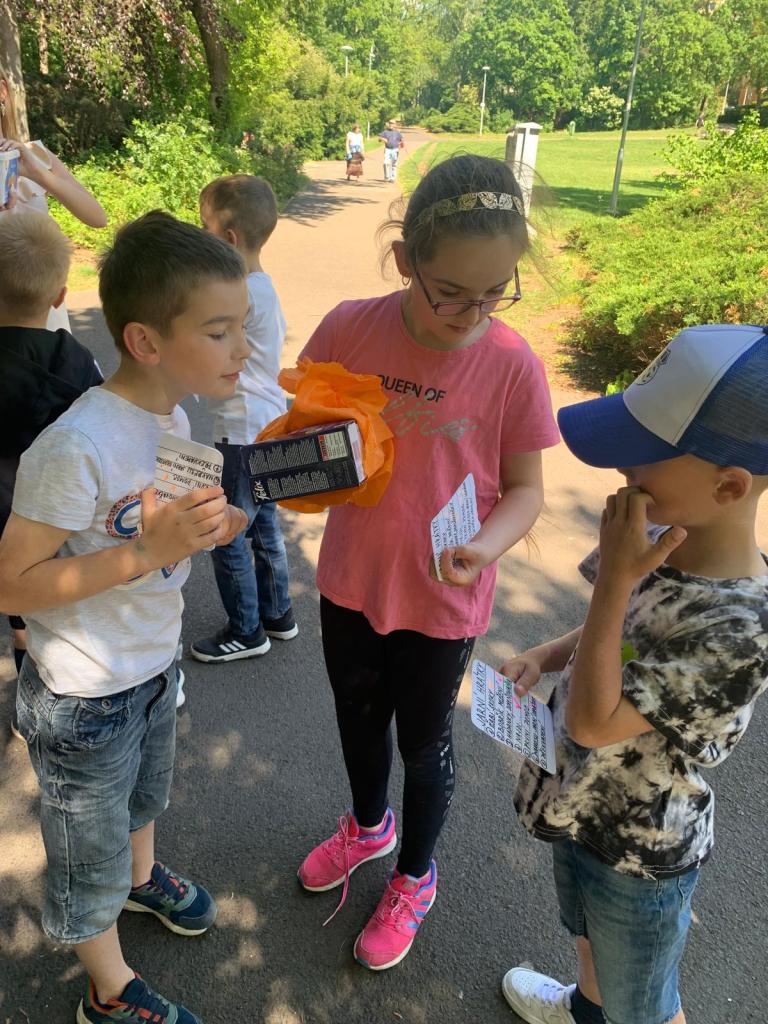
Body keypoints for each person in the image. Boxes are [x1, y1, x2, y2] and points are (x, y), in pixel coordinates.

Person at [296, 155, 560, 970]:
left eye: (495, 293)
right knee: (356, 716)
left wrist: (485, 546)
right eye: (450, 292)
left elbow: (526, 489)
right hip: (352, 579)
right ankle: (368, 826)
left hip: (444, 601)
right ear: (405, 259)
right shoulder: (350, 327)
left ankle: (415, 873)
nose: (470, 313)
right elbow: (301, 433)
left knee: (423, 741)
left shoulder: (511, 362)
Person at [0, 210, 250, 1024]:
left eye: (242, 326)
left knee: (143, 802)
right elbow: (11, 585)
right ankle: (109, 993)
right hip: (83, 696)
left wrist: (210, 526)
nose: (242, 348)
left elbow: (159, 529)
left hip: (150, 667)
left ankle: (141, 882)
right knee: (87, 860)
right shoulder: (74, 445)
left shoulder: (172, 418)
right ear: (146, 341)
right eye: (219, 331)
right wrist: (145, 552)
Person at [501, 323, 768, 1024]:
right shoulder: (657, 538)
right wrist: (547, 654)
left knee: (644, 1002)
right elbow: (614, 629)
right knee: (589, 943)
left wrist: (618, 577)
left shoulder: (740, 630)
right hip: (582, 807)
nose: (623, 470)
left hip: (642, 853)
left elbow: (594, 723)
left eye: (642, 460)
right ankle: (584, 1007)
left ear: (729, 485)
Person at [0, 211, 103, 738]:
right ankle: (39, 703)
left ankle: (29, 702)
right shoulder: (76, 359)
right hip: (52, 522)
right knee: (39, 615)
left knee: (16, 610)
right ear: (61, 294)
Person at [191, 174, 298, 663]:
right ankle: (277, 613)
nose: (201, 234)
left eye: (205, 227)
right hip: (268, 424)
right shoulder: (263, 286)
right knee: (264, 524)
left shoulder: (237, 295)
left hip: (240, 428)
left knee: (227, 529)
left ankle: (245, 630)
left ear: (229, 239)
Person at [0, 66, 107, 332]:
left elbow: (97, 217)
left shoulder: (36, 154)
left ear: (2, 91)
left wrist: (39, 174)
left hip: (43, 312)